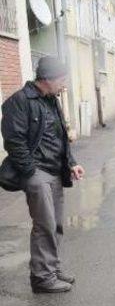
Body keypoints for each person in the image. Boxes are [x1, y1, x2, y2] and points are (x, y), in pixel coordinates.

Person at [1, 57, 85, 293]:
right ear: (47, 79)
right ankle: (42, 278)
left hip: (55, 171)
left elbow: (60, 136)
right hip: (37, 173)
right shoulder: (19, 101)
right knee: (44, 225)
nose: (64, 84)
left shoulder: (51, 100)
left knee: (56, 224)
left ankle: (52, 269)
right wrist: (31, 172)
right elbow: (14, 141)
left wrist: (71, 163)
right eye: (62, 79)